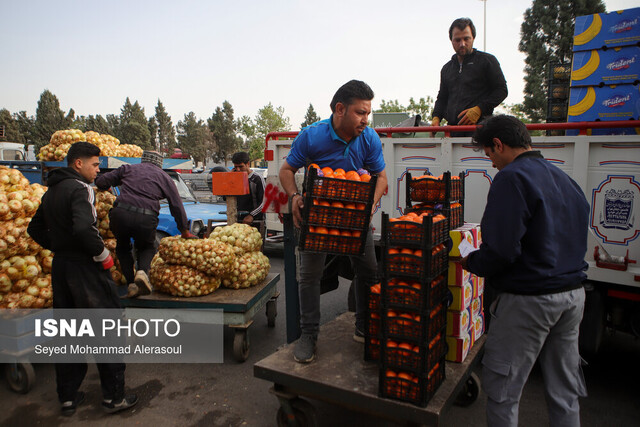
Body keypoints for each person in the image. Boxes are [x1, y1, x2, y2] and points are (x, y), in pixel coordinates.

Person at [460, 115, 589, 426]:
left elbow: (502, 251)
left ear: (499, 145)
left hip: (529, 300)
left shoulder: (512, 178)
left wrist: (470, 261)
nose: (492, 163)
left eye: (489, 154)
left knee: (504, 393)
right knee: (565, 391)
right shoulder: (564, 179)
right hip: (573, 297)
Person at [279, 80, 388, 363]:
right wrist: (294, 196)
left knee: (368, 270)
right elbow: (287, 169)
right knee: (310, 276)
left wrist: (371, 204)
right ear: (340, 109)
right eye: (360, 113)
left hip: (355, 218)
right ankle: (309, 335)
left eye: (368, 113)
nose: (366, 119)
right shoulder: (312, 136)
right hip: (318, 217)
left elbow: (382, 178)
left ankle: (364, 325)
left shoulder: (369, 139)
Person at [28, 141, 138, 415]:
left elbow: (34, 228)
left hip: (62, 269)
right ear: (79, 163)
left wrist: (59, 247)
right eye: (95, 164)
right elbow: (84, 228)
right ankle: (114, 398)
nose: (97, 170)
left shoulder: (52, 191)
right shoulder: (81, 189)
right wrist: (103, 256)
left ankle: (67, 397)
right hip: (85, 270)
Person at [94, 150, 196, 298]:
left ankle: (130, 284)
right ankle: (142, 273)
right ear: (159, 163)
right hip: (146, 217)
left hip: (121, 213)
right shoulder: (164, 177)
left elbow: (101, 182)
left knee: (123, 247)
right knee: (146, 247)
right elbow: (176, 205)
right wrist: (184, 230)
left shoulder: (128, 168)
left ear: (143, 160)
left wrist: (107, 187)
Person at [431, 17, 508, 136]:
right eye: (457, 40)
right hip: (452, 132)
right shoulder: (446, 69)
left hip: (480, 131)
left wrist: (479, 109)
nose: (462, 44)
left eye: (466, 38)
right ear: (451, 40)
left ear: (473, 38)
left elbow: (501, 90)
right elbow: (442, 97)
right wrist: (436, 117)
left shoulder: (487, 61)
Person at [231, 151, 266, 226]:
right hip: (238, 221)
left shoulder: (257, 179)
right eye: (236, 167)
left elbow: (264, 202)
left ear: (248, 164)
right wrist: (230, 179)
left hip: (255, 222)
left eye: (241, 167)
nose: (238, 170)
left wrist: (251, 215)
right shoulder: (235, 178)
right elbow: (226, 197)